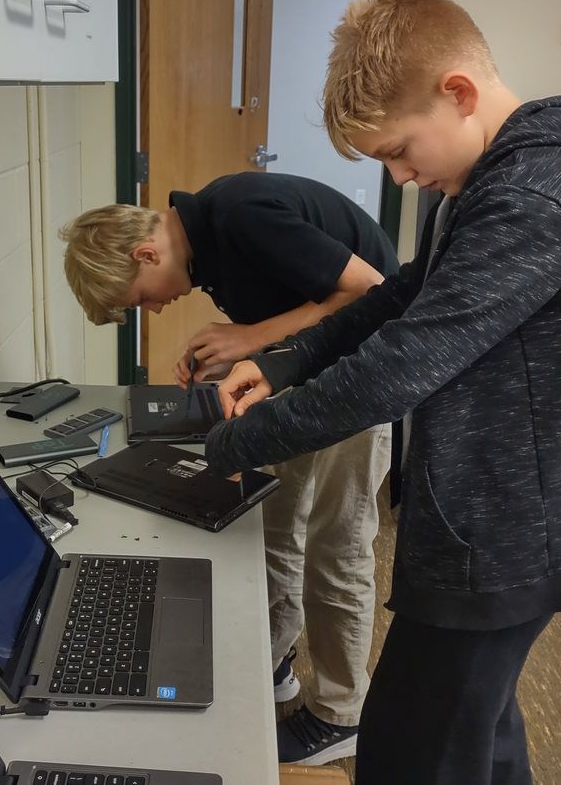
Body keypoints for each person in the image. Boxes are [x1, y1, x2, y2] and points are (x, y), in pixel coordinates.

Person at [204, 0, 561, 784]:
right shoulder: (489, 180)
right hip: (498, 514)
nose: (403, 176)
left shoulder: (536, 194)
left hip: (514, 530)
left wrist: (235, 444)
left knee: (412, 752)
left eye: (400, 151)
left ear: (460, 93)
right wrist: (282, 362)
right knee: (478, 732)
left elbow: (400, 365)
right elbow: (402, 296)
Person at [59, 172, 399, 764]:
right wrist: (238, 353)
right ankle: (275, 662)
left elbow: (371, 290)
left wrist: (248, 336)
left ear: (146, 252)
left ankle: (342, 712)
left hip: (362, 375)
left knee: (336, 547)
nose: (156, 306)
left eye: (142, 296)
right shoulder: (206, 246)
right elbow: (293, 306)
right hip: (305, 378)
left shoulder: (241, 216)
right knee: (275, 524)